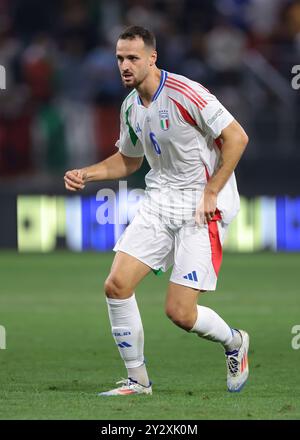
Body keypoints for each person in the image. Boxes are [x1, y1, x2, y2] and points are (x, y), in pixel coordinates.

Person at [64, 25, 249, 396]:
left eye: (133, 58)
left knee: (180, 313)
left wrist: (212, 190)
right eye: (119, 58)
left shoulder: (186, 93)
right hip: (160, 201)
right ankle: (138, 381)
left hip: (201, 205)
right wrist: (89, 173)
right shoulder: (131, 106)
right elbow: (129, 161)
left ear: (152, 58)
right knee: (116, 286)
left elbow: (237, 137)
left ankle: (235, 342)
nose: (124, 66)